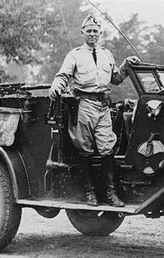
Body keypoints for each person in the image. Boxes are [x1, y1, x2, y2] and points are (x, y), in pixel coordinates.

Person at [49, 14, 140, 207]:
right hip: (84, 105)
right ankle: (90, 193)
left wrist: (126, 65)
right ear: (82, 33)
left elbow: (115, 78)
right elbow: (63, 75)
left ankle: (110, 193)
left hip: (103, 106)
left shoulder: (107, 54)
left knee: (107, 148)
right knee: (85, 149)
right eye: (88, 31)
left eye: (95, 31)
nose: (92, 34)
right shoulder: (75, 55)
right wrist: (56, 85)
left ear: (100, 33)